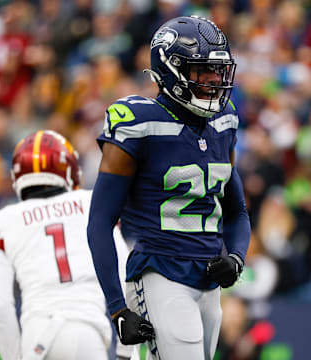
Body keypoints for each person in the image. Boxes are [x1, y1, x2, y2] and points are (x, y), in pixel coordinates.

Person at [87, 15, 251, 360]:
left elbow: (236, 210)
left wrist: (235, 257)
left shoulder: (223, 121)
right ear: (172, 70)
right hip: (159, 272)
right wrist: (117, 309)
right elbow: (100, 222)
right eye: (203, 71)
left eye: (218, 71)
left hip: (208, 280)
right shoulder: (138, 123)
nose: (214, 80)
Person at [0, 130, 133, 360]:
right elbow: (125, 275)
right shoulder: (91, 203)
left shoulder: (1, 222)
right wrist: (126, 351)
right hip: (86, 331)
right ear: (70, 170)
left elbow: (0, 308)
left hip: (36, 336)